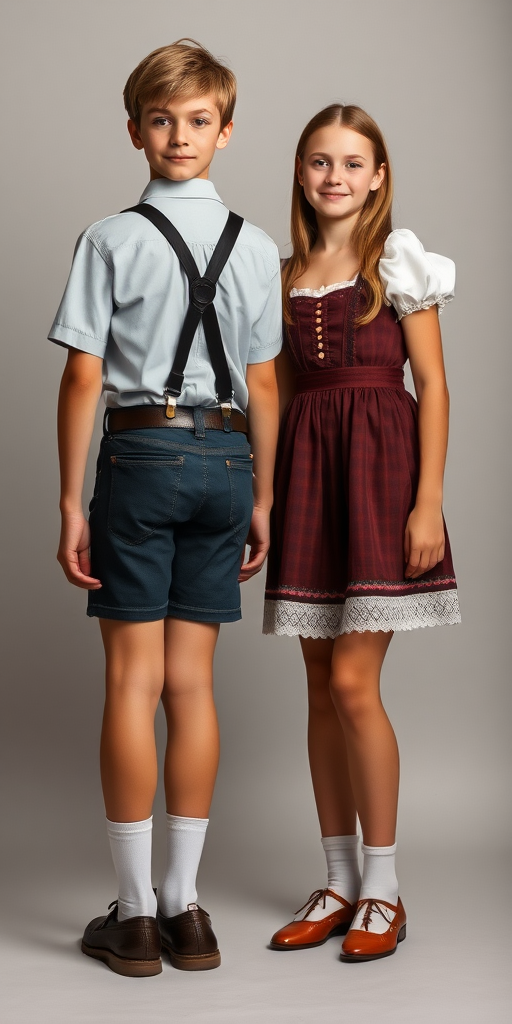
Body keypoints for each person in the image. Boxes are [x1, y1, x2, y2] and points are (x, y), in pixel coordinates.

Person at [49, 39, 281, 977]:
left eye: (194, 120)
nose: (179, 135)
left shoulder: (107, 237)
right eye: (164, 119)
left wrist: (71, 500)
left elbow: (81, 375)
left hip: (142, 455)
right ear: (138, 126)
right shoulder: (259, 246)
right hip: (228, 458)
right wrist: (264, 491)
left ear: (224, 130)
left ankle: (137, 914)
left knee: (132, 685)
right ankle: (190, 911)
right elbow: (265, 384)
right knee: (193, 686)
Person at [264, 104, 460, 962]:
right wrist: (260, 496)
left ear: (378, 176)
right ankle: (338, 878)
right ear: (301, 174)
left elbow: (436, 386)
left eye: (352, 162)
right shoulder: (281, 273)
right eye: (319, 162)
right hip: (309, 472)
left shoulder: (398, 261)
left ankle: (383, 886)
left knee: (353, 682)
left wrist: (429, 502)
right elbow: (270, 395)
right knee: (316, 684)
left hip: (382, 476)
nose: (334, 177)